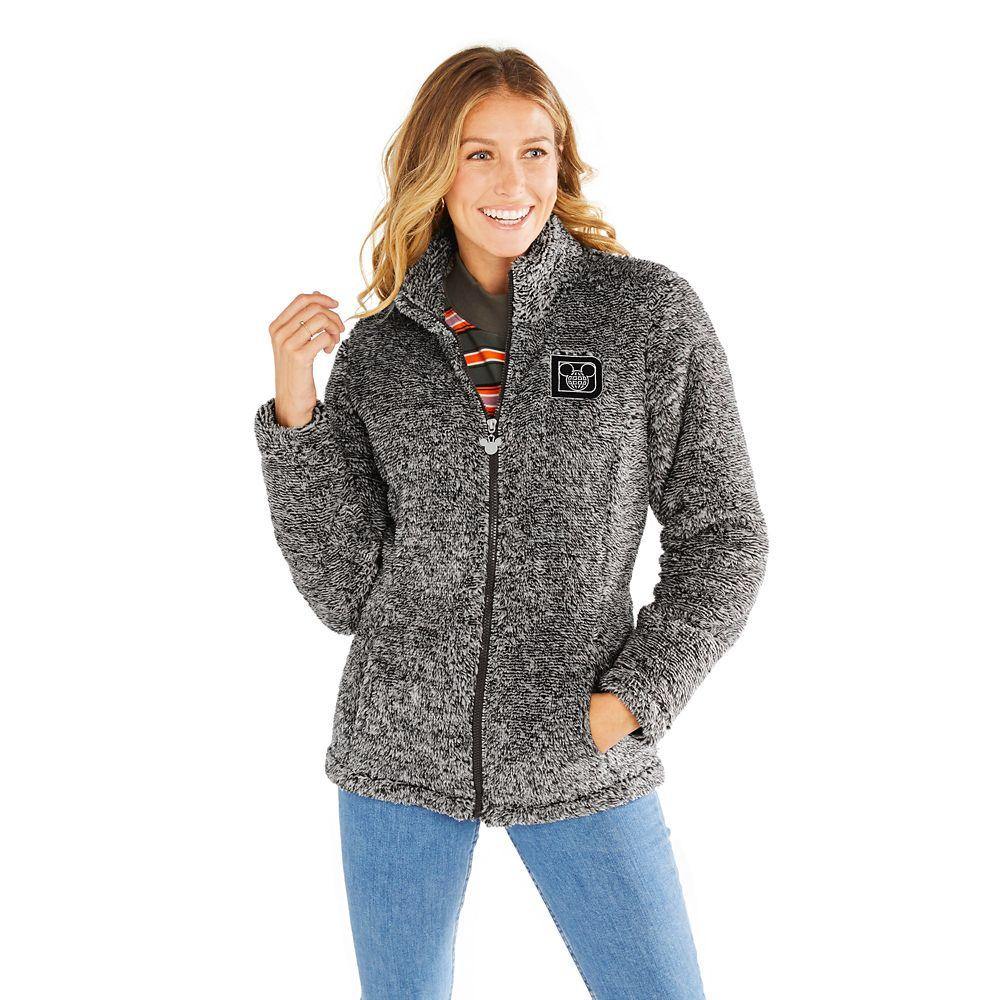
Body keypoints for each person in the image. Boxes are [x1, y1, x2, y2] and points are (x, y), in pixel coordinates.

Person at [254, 45, 768, 1000]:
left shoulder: (644, 316)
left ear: (561, 162)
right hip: (397, 752)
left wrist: (634, 698)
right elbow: (342, 592)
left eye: (535, 152)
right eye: (479, 154)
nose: (512, 183)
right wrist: (296, 410)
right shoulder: (381, 351)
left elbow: (725, 535)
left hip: (579, 744)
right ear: (434, 168)